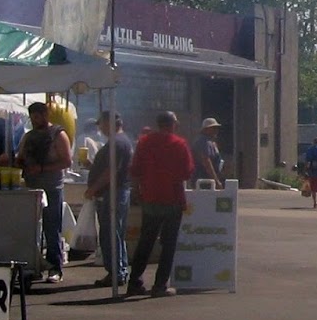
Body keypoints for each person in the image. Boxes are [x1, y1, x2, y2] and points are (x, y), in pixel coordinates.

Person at [128, 111, 196, 298]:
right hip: (172, 198)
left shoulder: (144, 142)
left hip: (150, 198)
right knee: (168, 243)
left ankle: (134, 282)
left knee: (145, 241)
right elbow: (187, 172)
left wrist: (137, 191)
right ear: (173, 124)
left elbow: (135, 170)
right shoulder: (179, 144)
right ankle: (159, 285)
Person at [16, 100, 73, 283]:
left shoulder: (58, 134)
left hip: (52, 188)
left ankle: (55, 268)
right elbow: (21, 156)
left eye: (38, 116)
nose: (35, 120)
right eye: (32, 117)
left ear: (46, 115)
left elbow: (66, 161)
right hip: (32, 187)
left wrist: (41, 168)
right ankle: (34, 266)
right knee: (32, 229)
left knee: (51, 228)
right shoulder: (29, 136)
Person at [84, 111, 134, 288]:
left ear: (109, 123)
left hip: (112, 193)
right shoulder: (120, 142)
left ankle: (116, 272)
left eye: (102, 124)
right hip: (115, 192)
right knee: (115, 232)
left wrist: (93, 189)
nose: (100, 128)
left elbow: (111, 171)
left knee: (111, 233)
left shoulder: (118, 143)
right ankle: (118, 270)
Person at [193, 117, 224, 189]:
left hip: (210, 178)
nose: (216, 130)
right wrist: (216, 181)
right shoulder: (203, 142)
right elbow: (206, 162)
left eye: (216, 128)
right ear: (206, 129)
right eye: (213, 128)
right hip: (204, 179)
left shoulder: (211, 142)